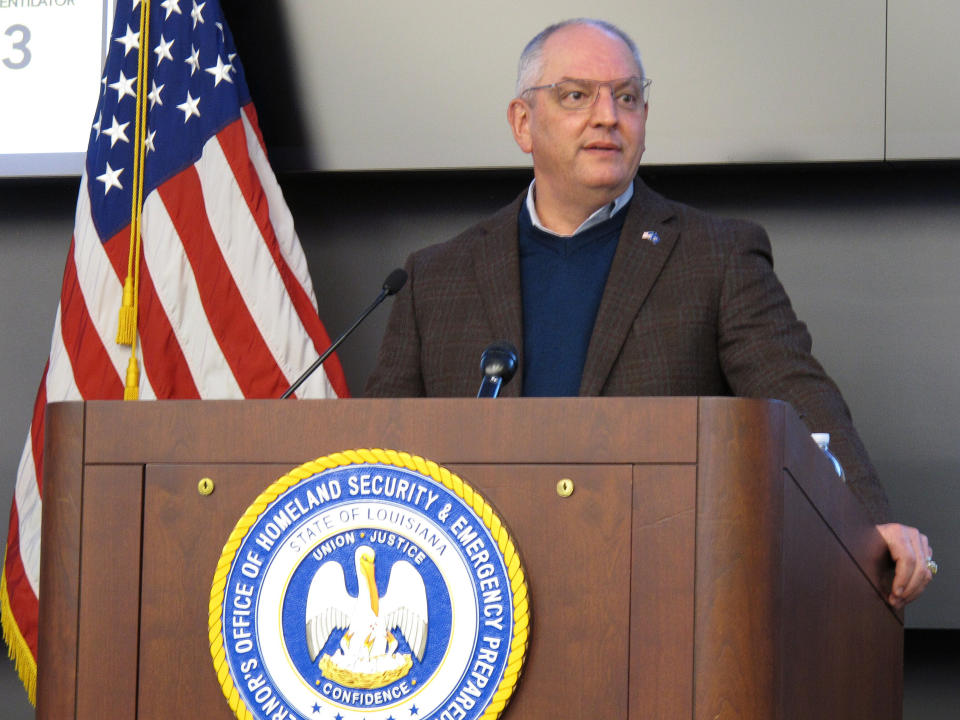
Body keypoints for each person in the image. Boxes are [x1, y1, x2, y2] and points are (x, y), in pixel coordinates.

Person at [364, 18, 934, 607]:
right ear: (522, 123)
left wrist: (868, 529)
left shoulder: (715, 254)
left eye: (628, 96)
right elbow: (379, 444)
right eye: (577, 95)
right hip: (472, 601)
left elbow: (798, 397)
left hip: (650, 595)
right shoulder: (436, 276)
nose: (609, 115)